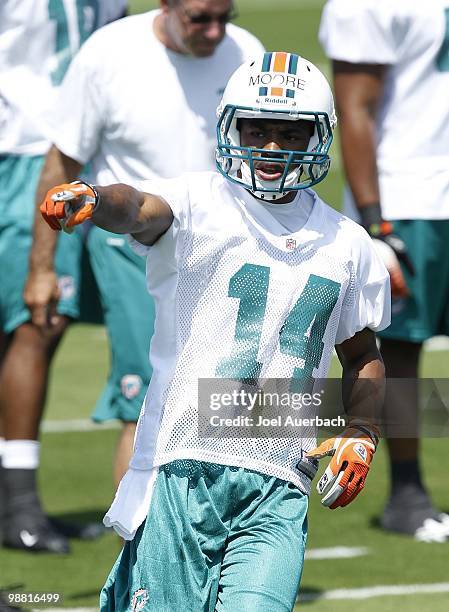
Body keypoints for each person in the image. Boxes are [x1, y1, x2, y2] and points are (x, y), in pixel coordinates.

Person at [40, 52, 390, 610]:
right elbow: (137, 207)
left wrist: (362, 433)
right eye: (257, 128)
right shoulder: (198, 201)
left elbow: (362, 352)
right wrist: (94, 198)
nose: (271, 146)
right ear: (231, 125)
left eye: (288, 131)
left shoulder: (348, 244)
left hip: (281, 478)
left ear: (317, 136)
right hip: (183, 465)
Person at [24, 0, 264, 498]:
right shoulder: (110, 54)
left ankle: (208, 554)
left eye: (226, 17)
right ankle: (140, 564)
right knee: (149, 404)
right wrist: (42, 267)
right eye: (200, 18)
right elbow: (62, 162)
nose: (216, 31)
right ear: (167, 5)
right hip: (134, 251)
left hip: (225, 256)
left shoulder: (246, 53)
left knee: (228, 411)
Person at [0, 0, 127, 554]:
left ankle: (17, 501)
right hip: (22, 148)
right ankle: (19, 503)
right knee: (36, 322)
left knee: (48, 325)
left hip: (86, 152)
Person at [319, 0, 449, 541]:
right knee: (398, 347)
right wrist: (375, 221)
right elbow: (355, 107)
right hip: (411, 193)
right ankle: (407, 493)